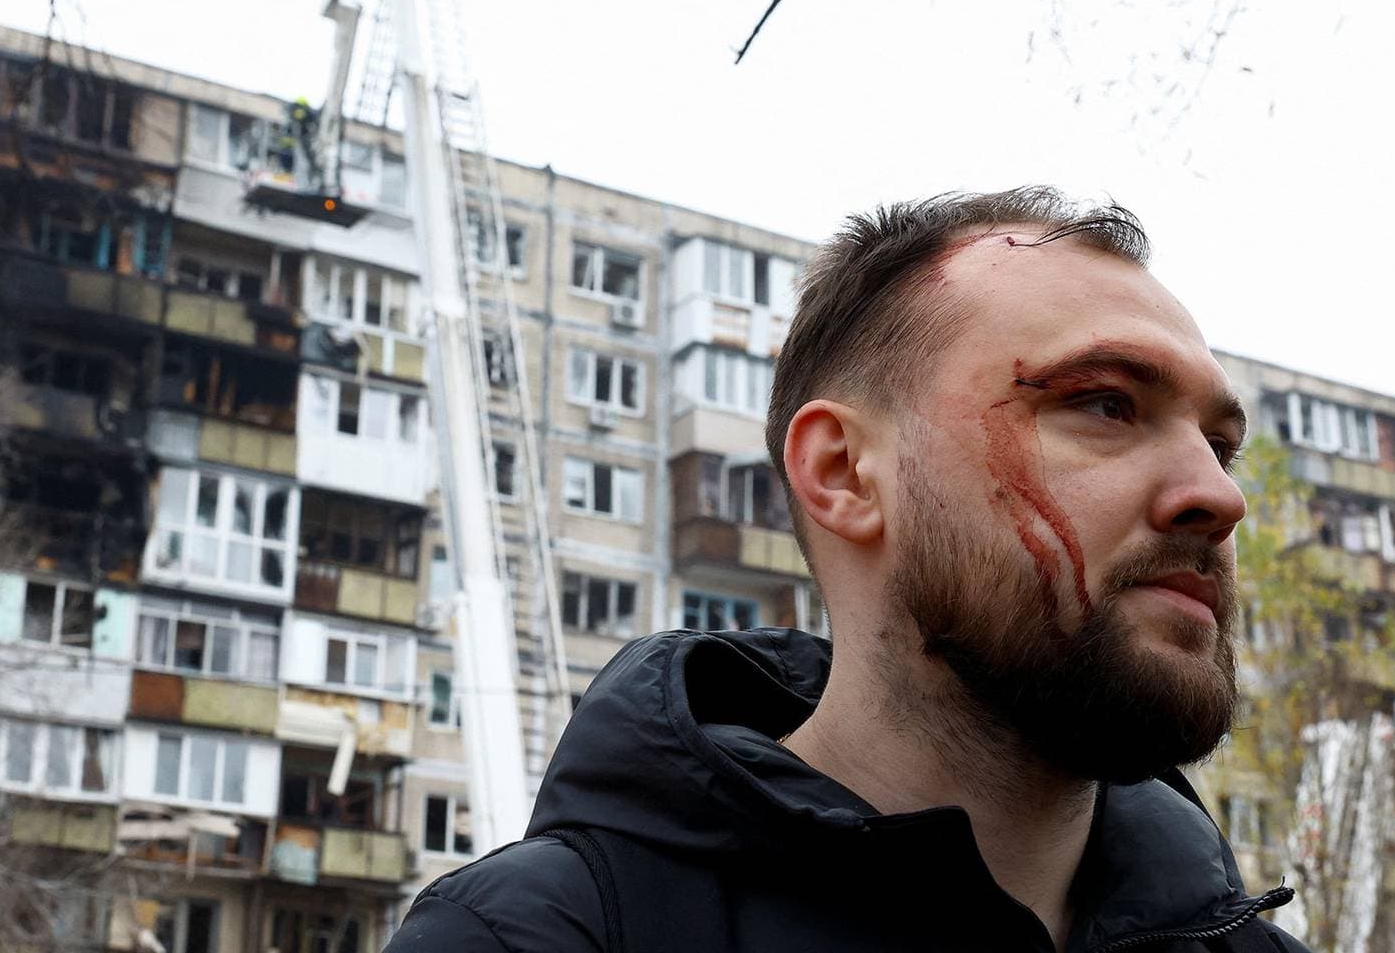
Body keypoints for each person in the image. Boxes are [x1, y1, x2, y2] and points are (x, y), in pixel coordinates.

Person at [386, 189, 1309, 952]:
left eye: (1221, 446)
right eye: (1105, 404)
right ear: (844, 475)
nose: (1219, 498)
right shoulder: (537, 938)